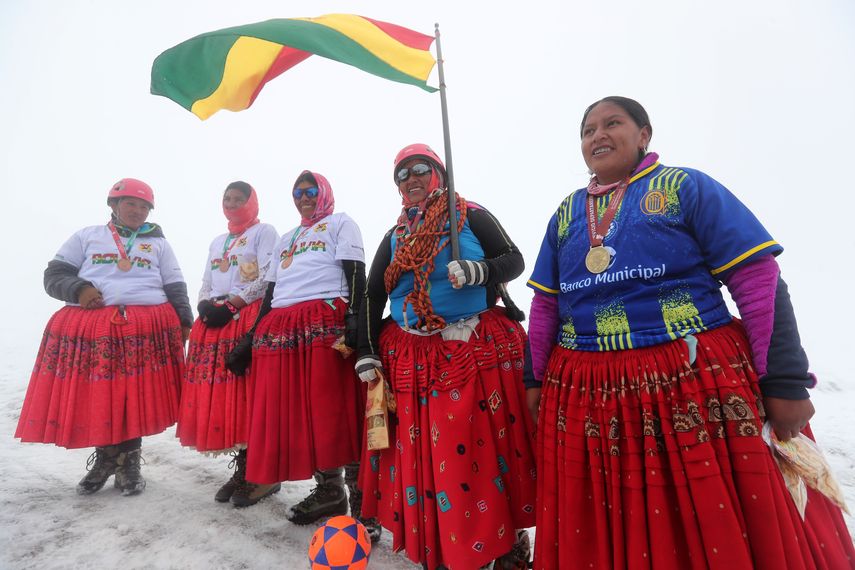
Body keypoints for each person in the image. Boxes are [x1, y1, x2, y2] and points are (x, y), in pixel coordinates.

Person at [526, 96, 855, 569]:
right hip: (586, 392)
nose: (597, 135)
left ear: (644, 135)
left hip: (690, 381)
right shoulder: (565, 214)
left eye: (612, 123)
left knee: (707, 515)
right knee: (605, 517)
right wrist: (534, 379)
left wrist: (783, 381)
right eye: (587, 129)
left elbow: (756, 278)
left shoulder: (685, 186)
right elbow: (546, 305)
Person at [354, 144, 537, 570]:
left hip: (472, 344)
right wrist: (364, 349)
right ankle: (443, 539)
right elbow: (373, 293)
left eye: (421, 169)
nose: (411, 178)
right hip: (413, 355)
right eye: (402, 174)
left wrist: (482, 271)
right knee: (434, 458)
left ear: (438, 173)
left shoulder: (469, 214)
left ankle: (508, 541)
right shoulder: (395, 235)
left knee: (489, 450)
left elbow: (514, 259)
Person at [16, 178, 193, 496]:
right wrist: (79, 289)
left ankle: (129, 462)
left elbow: (174, 284)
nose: (137, 211)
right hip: (95, 328)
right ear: (113, 205)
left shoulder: (158, 244)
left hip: (147, 328)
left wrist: (184, 321)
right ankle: (107, 458)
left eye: (144, 206)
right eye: (130, 204)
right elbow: (54, 274)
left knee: (132, 396)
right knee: (102, 394)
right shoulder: (87, 236)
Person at [231, 170, 376, 534]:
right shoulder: (287, 237)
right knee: (303, 415)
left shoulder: (341, 224)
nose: (304, 197)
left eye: (311, 191)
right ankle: (330, 491)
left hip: (324, 322)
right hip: (281, 328)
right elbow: (270, 291)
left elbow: (356, 273)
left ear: (324, 193)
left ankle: (363, 503)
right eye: (298, 193)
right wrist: (251, 336)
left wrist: (357, 320)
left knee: (337, 412)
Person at [176, 181, 278, 504]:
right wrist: (204, 304)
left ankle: (263, 475)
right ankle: (244, 469)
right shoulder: (219, 241)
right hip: (216, 321)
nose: (232, 204)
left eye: (238, 199)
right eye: (227, 199)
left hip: (245, 317)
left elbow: (266, 276)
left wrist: (233, 304)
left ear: (252, 202)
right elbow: (207, 279)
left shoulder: (264, 233)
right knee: (228, 398)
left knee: (248, 396)